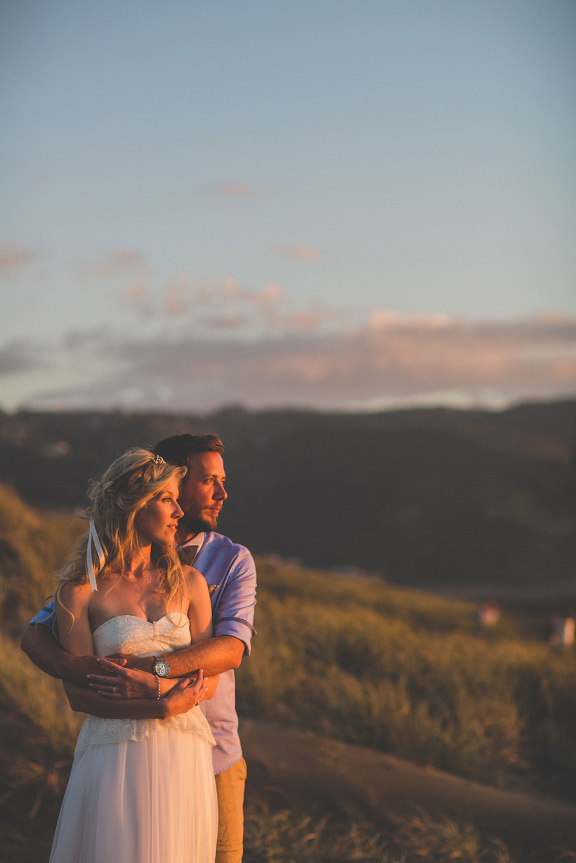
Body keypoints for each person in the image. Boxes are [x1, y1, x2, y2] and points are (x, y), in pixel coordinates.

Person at [21, 434, 257, 863]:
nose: (221, 493)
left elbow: (229, 652)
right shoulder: (82, 589)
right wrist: (79, 668)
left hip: (203, 753)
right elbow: (39, 636)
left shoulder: (218, 568)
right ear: (140, 498)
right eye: (207, 481)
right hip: (116, 758)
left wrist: (148, 675)